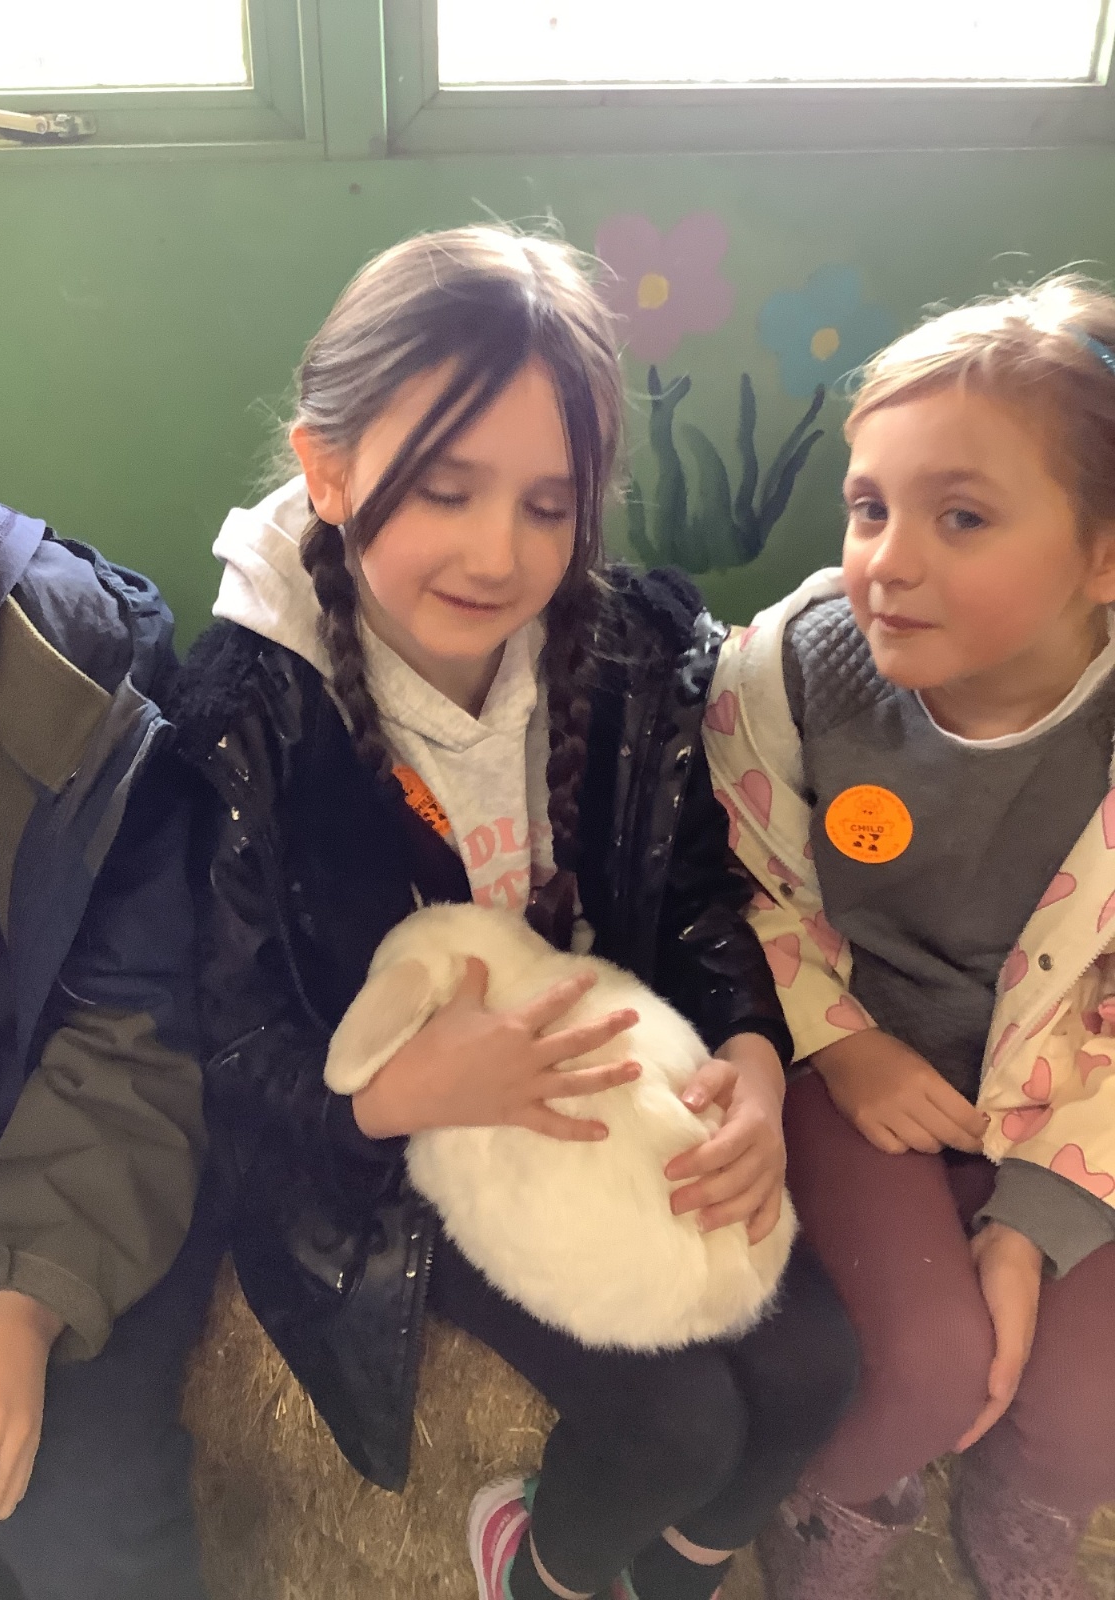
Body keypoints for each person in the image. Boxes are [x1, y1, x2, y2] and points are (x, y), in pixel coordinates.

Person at [172, 225, 858, 1600]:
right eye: (446, 490)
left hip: (614, 1087)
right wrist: (398, 1094)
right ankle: (544, 1574)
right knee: (674, 1423)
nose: (500, 552)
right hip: (411, 1156)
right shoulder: (250, 719)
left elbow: (696, 893)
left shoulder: (633, 647)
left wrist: (752, 1057)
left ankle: (671, 1579)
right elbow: (227, 1045)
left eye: (550, 506)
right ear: (328, 470)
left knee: (813, 1368)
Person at [704, 276, 1115, 1600]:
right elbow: (745, 881)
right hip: (855, 1060)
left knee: (1086, 1399)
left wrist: (1038, 1216)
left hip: (1072, 1094)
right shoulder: (791, 674)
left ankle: (1026, 1516)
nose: (887, 558)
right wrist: (840, 1041)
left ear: (1104, 557)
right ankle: (837, 1505)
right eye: (869, 506)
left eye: (962, 516)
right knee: (922, 1367)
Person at [0, 304, 218, 1600]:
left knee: (83, 1514)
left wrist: (22, 1297)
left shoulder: (85, 650)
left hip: (93, 1149)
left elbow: (145, 1015)